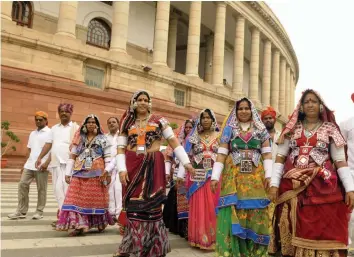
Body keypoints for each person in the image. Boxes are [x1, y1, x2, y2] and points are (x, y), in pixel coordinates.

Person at [268, 89, 354, 257]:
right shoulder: (291, 128)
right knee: (291, 226)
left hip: (323, 186)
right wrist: (273, 184)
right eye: (306, 101)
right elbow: (280, 157)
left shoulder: (330, 129)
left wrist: (350, 188)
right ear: (301, 106)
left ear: (321, 105)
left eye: (314, 101)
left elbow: (340, 161)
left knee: (323, 228)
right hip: (291, 187)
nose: (310, 104)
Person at [113, 90, 194, 257]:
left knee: (152, 206)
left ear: (149, 103)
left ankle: (153, 247)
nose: (143, 102)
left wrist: (186, 163)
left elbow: (174, 142)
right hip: (132, 165)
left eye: (145, 99)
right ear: (134, 102)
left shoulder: (159, 120)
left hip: (153, 165)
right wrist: (121, 169)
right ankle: (132, 246)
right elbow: (120, 148)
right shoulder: (126, 122)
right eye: (139, 99)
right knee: (133, 206)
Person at [210, 98, 273, 256]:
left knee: (257, 211)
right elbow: (222, 154)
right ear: (236, 111)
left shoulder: (260, 129)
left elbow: (267, 154)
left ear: (252, 111)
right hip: (234, 178)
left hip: (256, 179)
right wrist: (215, 177)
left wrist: (270, 176)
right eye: (240, 109)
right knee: (236, 210)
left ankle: (255, 251)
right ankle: (235, 251)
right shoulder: (229, 129)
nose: (244, 111)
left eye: (246, 108)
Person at [56, 114, 114, 236]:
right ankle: (79, 225)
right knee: (73, 199)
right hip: (78, 172)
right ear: (85, 125)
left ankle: (98, 222)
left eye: (94, 122)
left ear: (97, 125)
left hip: (97, 174)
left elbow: (108, 157)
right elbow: (72, 157)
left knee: (94, 201)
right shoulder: (78, 139)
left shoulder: (103, 139)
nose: (91, 124)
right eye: (89, 122)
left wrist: (108, 173)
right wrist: (67, 173)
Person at [177, 108, 220, 250]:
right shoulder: (193, 137)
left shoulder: (220, 136)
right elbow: (187, 157)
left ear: (213, 120)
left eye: (209, 117)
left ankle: (216, 239)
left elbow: (224, 156)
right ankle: (200, 238)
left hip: (215, 178)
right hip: (197, 177)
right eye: (203, 118)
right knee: (200, 207)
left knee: (214, 206)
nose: (206, 120)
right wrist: (181, 175)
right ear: (200, 121)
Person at [35, 103, 79, 227]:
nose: (64, 113)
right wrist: (40, 158)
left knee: (65, 191)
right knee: (57, 190)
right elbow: (49, 145)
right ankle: (63, 217)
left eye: (66, 111)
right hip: (55, 163)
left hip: (69, 164)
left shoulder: (76, 128)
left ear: (71, 113)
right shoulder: (54, 128)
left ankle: (69, 218)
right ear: (58, 113)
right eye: (61, 111)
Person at [8, 111, 51, 220]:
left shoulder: (50, 132)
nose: (38, 121)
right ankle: (21, 211)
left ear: (46, 121)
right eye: (36, 119)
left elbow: (52, 150)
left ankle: (39, 211)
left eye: (40, 119)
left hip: (42, 166)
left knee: (41, 189)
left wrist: (46, 163)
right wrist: (24, 164)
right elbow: (29, 149)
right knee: (22, 185)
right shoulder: (32, 133)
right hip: (29, 164)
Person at [163, 118, 194, 239]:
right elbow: (168, 157)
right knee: (177, 199)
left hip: (192, 174)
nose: (188, 129)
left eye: (190, 127)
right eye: (186, 127)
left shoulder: (195, 141)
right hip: (177, 173)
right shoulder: (178, 141)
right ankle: (179, 227)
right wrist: (167, 172)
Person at [340, 92, 354, 252]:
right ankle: (348, 247)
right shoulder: (346, 125)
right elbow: (340, 151)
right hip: (350, 174)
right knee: (349, 214)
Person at [105, 117, 122, 222]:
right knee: (109, 190)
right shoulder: (104, 137)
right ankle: (111, 212)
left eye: (114, 122)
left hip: (119, 166)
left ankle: (119, 213)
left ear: (118, 123)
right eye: (109, 122)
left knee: (118, 189)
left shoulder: (122, 136)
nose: (112, 124)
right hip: (108, 168)